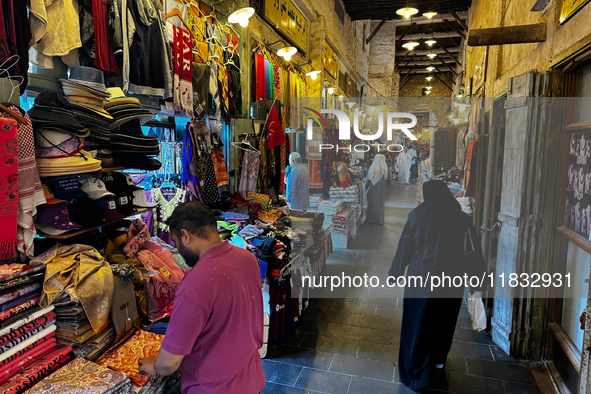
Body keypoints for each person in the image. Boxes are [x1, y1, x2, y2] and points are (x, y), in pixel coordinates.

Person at [138, 202, 265, 394]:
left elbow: (168, 364)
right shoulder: (247, 258)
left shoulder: (196, 282)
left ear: (186, 235)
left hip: (214, 388)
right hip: (251, 378)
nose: (177, 248)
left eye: (176, 242)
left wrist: (154, 365)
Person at [388, 180, 486, 390]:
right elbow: (472, 251)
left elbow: (405, 244)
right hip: (451, 281)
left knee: (417, 322)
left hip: (420, 280)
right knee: (443, 322)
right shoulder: (461, 219)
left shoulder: (417, 216)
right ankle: (434, 365)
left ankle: (413, 369)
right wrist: (477, 281)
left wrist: (395, 272)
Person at [365, 154, 388, 224]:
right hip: (381, 192)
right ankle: (379, 220)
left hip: (372, 191)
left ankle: (370, 219)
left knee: (371, 204)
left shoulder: (373, 168)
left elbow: (367, 180)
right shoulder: (385, 170)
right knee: (380, 205)